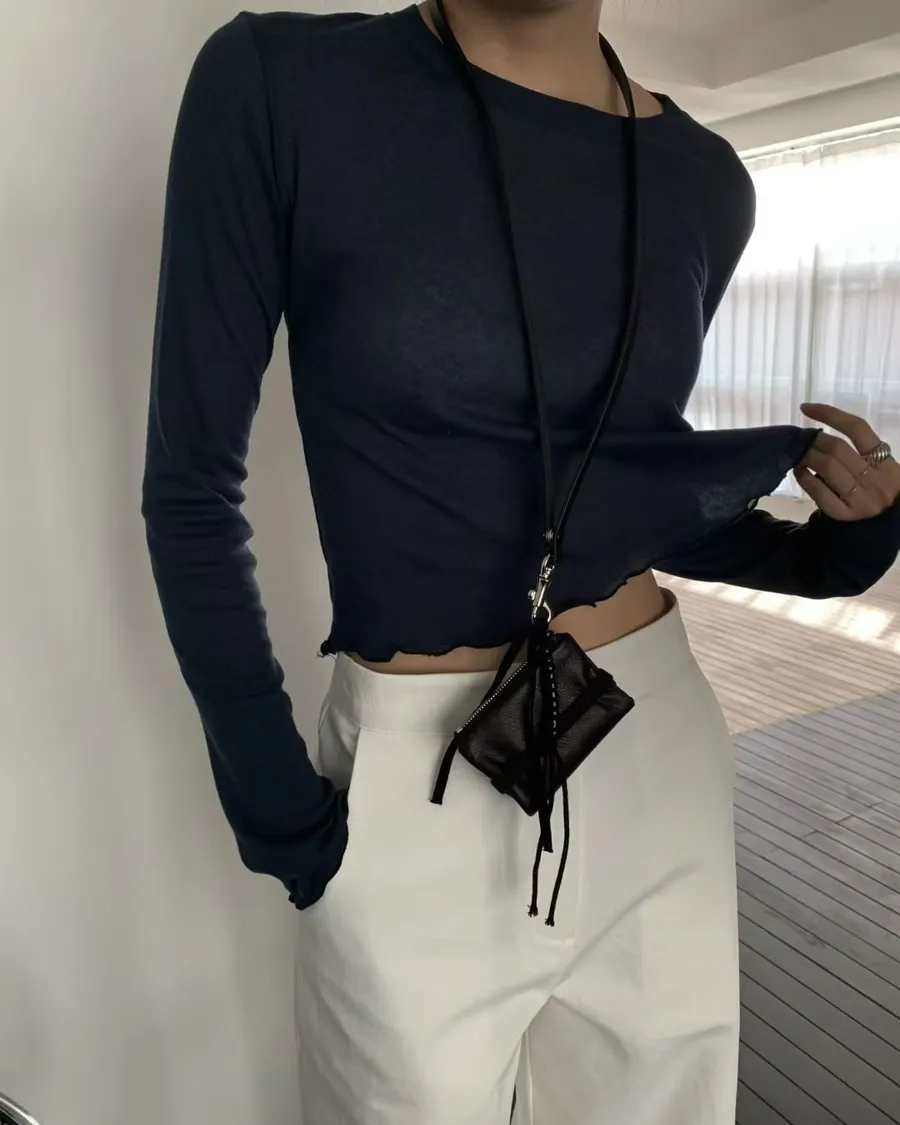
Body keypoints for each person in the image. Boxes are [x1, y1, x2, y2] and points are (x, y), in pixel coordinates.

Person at [141, 1, 900, 1122]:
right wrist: (280, 811)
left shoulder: (704, 180)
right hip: (415, 776)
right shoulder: (284, 86)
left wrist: (846, 549)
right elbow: (190, 491)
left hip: (653, 752)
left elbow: (615, 501)